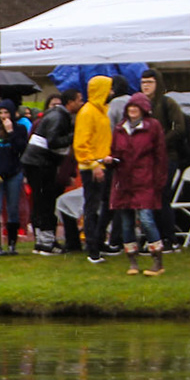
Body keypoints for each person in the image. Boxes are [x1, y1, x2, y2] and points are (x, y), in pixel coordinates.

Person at [109, 92, 169, 276]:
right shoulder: (120, 128)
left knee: (146, 220)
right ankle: (133, 262)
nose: (133, 110)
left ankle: (157, 261)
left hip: (145, 179)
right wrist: (111, 160)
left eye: (136, 107)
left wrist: (159, 179)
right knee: (126, 224)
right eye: (130, 107)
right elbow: (115, 152)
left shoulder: (153, 127)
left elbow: (160, 155)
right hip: (123, 181)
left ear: (144, 109)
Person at [21, 90, 80, 254]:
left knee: (40, 202)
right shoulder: (59, 117)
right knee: (45, 202)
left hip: (36, 162)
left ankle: (42, 242)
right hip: (41, 163)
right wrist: (74, 135)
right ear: (70, 102)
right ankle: (46, 243)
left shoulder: (54, 115)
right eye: (79, 100)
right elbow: (53, 141)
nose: (81, 103)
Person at [138, 70, 190, 248]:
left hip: (167, 156)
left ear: (158, 83)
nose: (146, 85)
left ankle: (169, 237)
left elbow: (179, 128)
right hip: (146, 158)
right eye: (143, 82)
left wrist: (159, 142)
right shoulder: (140, 105)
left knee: (162, 196)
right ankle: (155, 236)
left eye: (150, 82)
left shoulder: (167, 103)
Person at [74, 75, 114, 263]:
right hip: (92, 166)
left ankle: (98, 241)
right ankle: (92, 247)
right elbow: (81, 143)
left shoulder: (101, 111)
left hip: (102, 163)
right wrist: (93, 164)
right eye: (108, 89)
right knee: (92, 206)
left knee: (104, 204)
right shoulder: (88, 112)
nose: (111, 92)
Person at [0, 101, 29, 255]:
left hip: (14, 173)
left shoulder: (20, 129)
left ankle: (12, 245)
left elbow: (22, 149)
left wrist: (11, 133)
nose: (3, 116)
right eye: (1, 113)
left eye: (6, 113)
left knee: (13, 208)